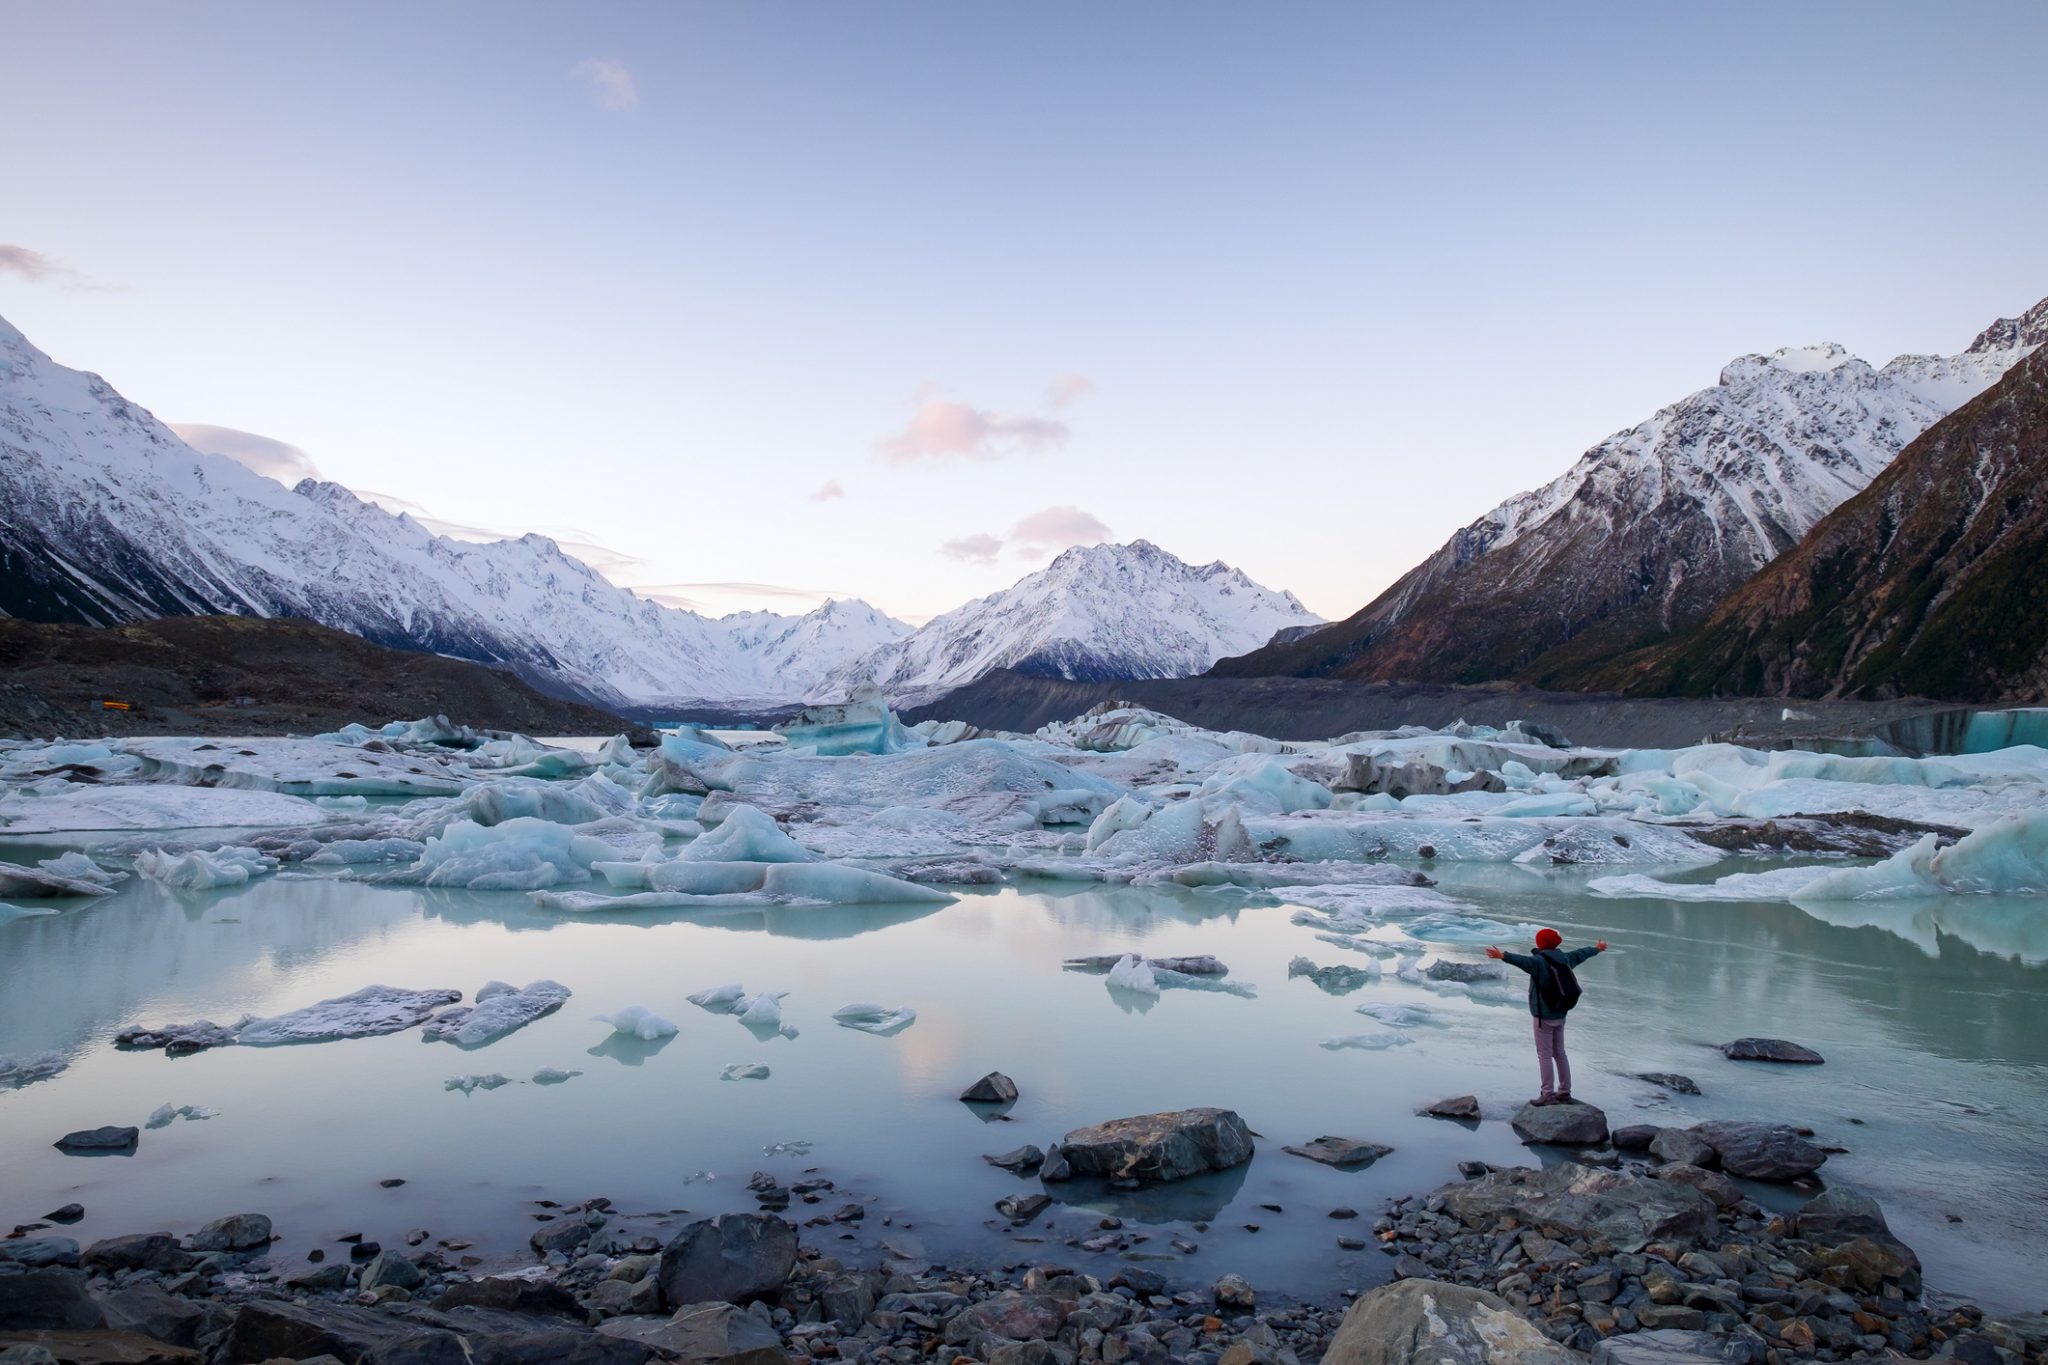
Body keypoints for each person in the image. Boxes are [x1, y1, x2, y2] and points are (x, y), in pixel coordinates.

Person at [1487, 929, 1607, 1106]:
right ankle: (1565, 1092)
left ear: (1540, 943)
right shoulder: (1565, 958)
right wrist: (1597, 948)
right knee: (1560, 1053)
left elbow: (1522, 961)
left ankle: (1547, 1094)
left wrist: (1502, 955)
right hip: (1561, 1013)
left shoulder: (1538, 962)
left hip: (1543, 1017)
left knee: (1544, 1055)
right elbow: (1582, 953)